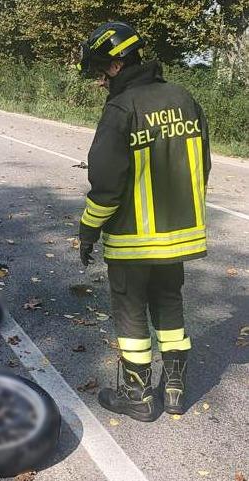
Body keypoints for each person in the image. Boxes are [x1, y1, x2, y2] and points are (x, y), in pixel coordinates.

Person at [76, 21, 211, 422]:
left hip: (133, 240)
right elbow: (200, 165)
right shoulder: (184, 98)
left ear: (117, 65)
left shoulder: (122, 108)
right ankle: (174, 388)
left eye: (102, 70)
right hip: (179, 237)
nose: (100, 80)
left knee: (132, 315)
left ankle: (137, 395)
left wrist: (88, 229)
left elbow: (105, 183)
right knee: (170, 306)